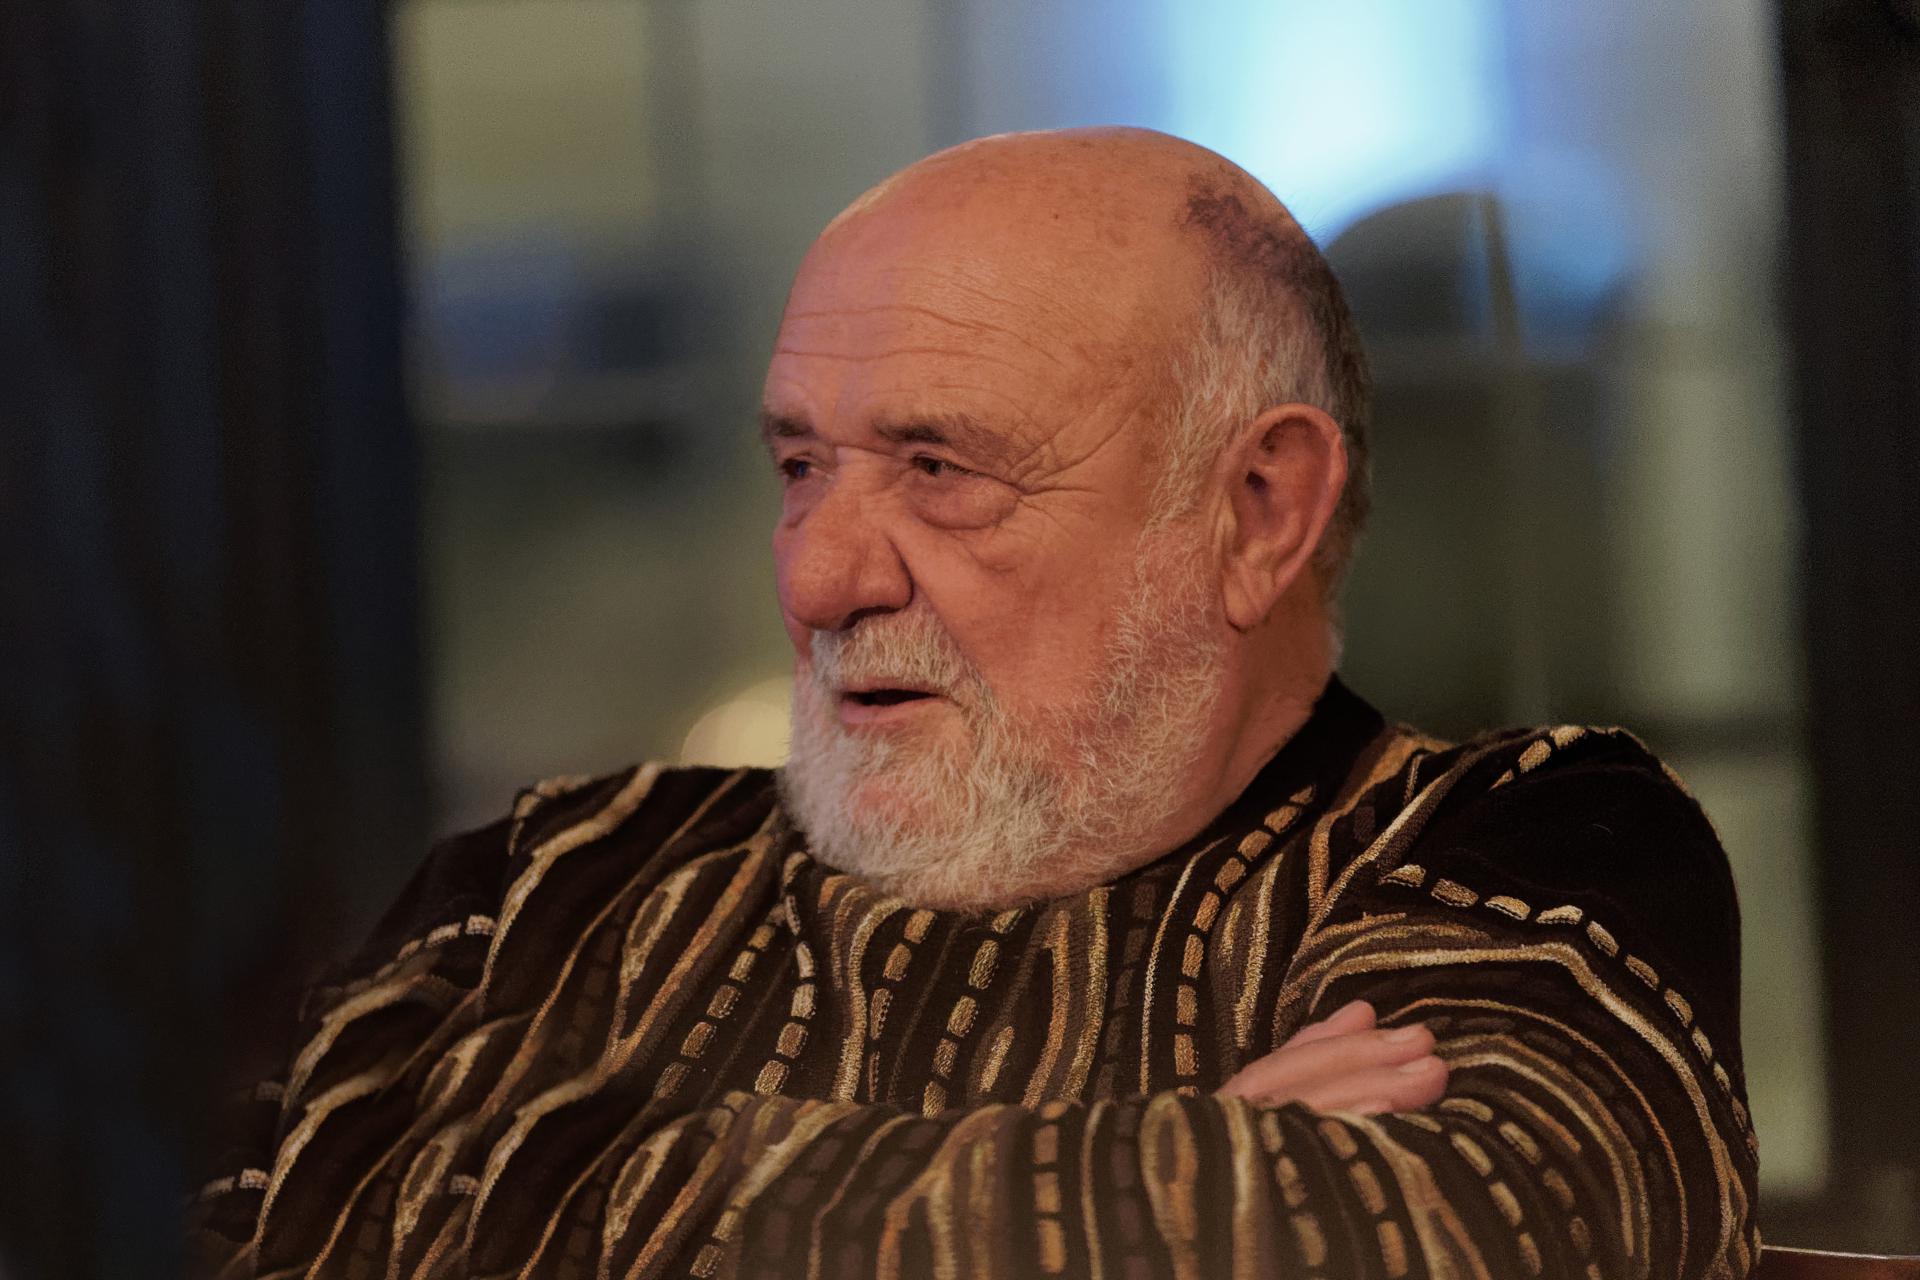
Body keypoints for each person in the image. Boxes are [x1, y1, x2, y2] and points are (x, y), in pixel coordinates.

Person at [188, 128, 1758, 1278]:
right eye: (800, 465)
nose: (820, 578)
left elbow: (1447, 1233)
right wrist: (1171, 1166)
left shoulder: (1521, 846)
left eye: (941, 468)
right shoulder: (557, 879)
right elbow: (264, 1224)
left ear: (1259, 510)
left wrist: (540, 1181)